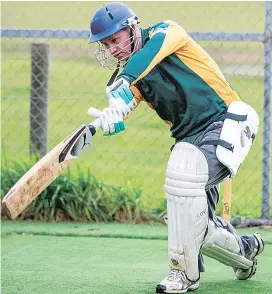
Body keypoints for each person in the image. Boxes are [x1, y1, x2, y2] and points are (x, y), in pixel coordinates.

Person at [88, 2, 264, 293]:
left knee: (183, 190)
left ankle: (182, 275)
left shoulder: (167, 32)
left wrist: (124, 79)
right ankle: (245, 251)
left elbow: (146, 58)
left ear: (132, 28)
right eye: (106, 45)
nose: (112, 50)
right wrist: (111, 114)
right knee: (198, 225)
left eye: (114, 40)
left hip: (226, 121)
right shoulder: (134, 77)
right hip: (189, 143)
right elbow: (124, 103)